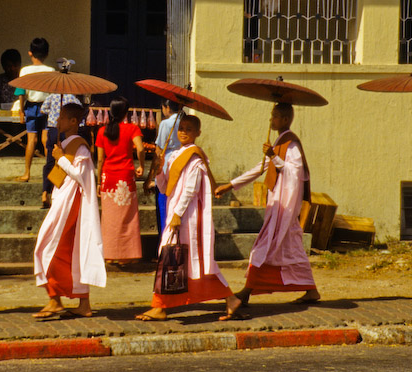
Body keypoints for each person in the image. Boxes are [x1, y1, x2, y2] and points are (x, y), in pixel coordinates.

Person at [136, 115, 243, 322]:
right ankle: (230, 299)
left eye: (189, 129)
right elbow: (166, 187)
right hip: (175, 210)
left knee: (170, 256)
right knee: (189, 262)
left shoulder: (195, 157)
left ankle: (160, 306)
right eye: (181, 128)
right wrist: (158, 170)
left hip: (186, 215)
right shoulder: (175, 154)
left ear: (198, 133)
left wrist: (177, 214)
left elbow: (191, 190)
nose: (184, 132)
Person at [215, 103, 320, 306]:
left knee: (264, 247)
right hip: (277, 202)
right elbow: (261, 167)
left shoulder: (292, 143)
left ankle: (246, 291)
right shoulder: (280, 141)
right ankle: (311, 290)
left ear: (286, 120)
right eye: (272, 116)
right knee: (292, 249)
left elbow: (296, 173)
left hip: (285, 205)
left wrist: (274, 157)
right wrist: (230, 185)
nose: (271, 120)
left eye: (275, 116)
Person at [32, 103, 106, 318]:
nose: (58, 121)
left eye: (63, 118)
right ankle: (72, 302)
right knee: (69, 252)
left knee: (46, 247)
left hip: (71, 204)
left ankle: (58, 300)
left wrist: (61, 159)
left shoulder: (80, 147)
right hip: (61, 200)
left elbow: (81, 177)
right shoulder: (64, 144)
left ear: (74, 121)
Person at [96, 97, 146, 263]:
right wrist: (141, 165)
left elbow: (100, 160)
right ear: (126, 112)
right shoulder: (132, 129)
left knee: (109, 218)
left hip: (108, 177)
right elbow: (140, 148)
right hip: (125, 177)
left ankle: (109, 254)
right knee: (127, 217)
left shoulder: (102, 131)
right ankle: (126, 255)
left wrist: (98, 182)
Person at [15, 38, 55, 182]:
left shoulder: (25, 70)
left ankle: (27, 173)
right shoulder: (50, 71)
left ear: (30, 53)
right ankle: (51, 174)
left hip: (31, 107)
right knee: (46, 140)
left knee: (31, 140)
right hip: (47, 107)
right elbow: (53, 93)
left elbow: (21, 93)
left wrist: (21, 111)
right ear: (47, 54)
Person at [144, 99, 182, 242]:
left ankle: (164, 243)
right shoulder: (183, 122)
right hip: (180, 164)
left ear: (167, 108)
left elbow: (158, 151)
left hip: (165, 166)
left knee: (164, 207)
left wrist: (149, 178)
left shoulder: (166, 124)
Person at [40, 92, 83, 208]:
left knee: (50, 161)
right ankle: (55, 190)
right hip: (64, 131)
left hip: (53, 129)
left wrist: (53, 114)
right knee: (64, 159)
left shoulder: (51, 96)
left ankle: (45, 193)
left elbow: (42, 110)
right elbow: (81, 113)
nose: (60, 118)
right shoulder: (73, 98)